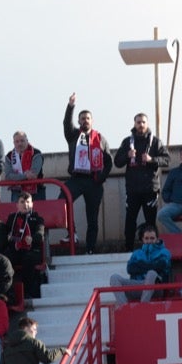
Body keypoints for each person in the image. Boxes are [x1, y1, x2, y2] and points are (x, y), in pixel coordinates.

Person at [62, 93, 112, 253]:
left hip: (94, 181)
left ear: (92, 121)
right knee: (62, 200)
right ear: (78, 121)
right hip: (76, 178)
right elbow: (66, 123)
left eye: (87, 118)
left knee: (92, 217)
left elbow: (109, 161)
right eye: (82, 118)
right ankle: (72, 234)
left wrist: (101, 178)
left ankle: (90, 248)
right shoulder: (73, 135)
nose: (85, 121)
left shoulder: (100, 138)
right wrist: (70, 106)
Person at [114, 111, 170, 239]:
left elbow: (167, 160)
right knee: (130, 220)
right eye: (138, 122)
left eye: (143, 122)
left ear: (147, 124)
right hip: (133, 189)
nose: (141, 125)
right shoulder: (127, 141)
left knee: (151, 221)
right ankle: (128, 248)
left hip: (150, 188)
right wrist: (127, 156)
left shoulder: (155, 141)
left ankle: (153, 247)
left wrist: (152, 159)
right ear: (134, 124)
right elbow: (117, 162)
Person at [112, 226, 173, 302]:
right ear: (143, 239)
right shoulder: (136, 253)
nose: (149, 241)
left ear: (157, 239)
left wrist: (140, 265)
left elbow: (160, 266)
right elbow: (130, 268)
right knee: (114, 278)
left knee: (151, 273)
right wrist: (151, 266)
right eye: (146, 238)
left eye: (152, 238)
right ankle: (124, 308)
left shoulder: (164, 252)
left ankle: (142, 307)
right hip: (137, 285)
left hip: (155, 287)